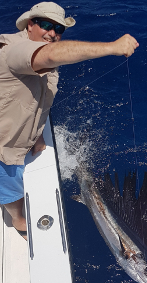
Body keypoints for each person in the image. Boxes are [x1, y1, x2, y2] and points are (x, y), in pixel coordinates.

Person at [0, 2, 139, 240]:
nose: (52, 33)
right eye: (45, 25)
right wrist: (112, 47)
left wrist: (36, 134)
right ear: (30, 24)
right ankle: (19, 222)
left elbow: (38, 99)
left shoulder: (42, 58)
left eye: (58, 29)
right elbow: (51, 54)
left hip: (21, 134)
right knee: (10, 187)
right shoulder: (15, 51)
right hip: (3, 147)